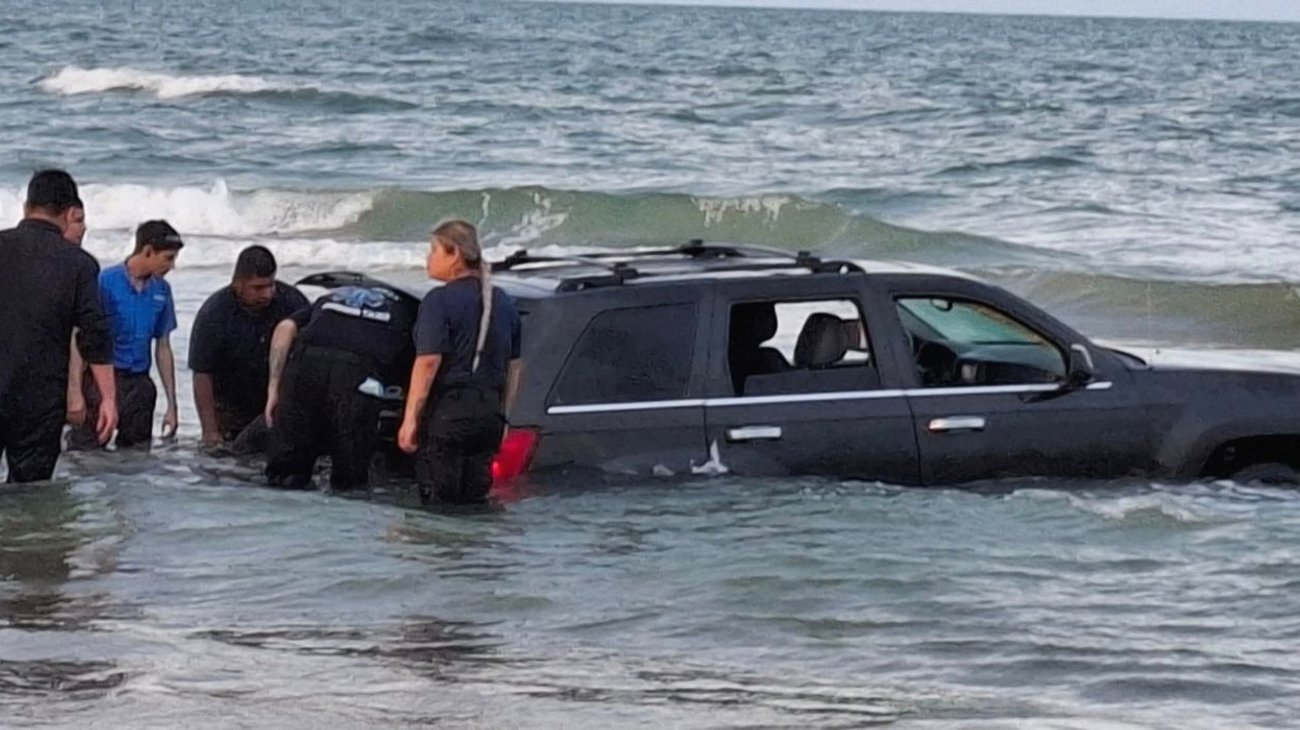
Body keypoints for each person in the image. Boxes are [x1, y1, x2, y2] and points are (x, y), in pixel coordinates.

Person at [0, 170, 116, 482]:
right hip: (40, 401)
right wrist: (108, 399)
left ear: (26, 207)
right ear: (69, 214)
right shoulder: (79, 264)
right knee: (31, 495)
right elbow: (94, 336)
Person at [398, 220, 522, 506]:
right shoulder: (504, 301)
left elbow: (428, 362)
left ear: (454, 254)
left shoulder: (438, 301)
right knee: (475, 501)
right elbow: (514, 367)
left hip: (449, 414)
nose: (428, 259)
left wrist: (410, 420)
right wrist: (503, 416)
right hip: (488, 414)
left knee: (440, 504)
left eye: (433, 250)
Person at [264, 284, 417, 490]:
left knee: (284, 474)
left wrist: (274, 388)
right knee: (349, 475)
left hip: (305, 363)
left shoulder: (331, 298)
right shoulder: (412, 310)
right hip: (359, 370)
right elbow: (423, 361)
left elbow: (285, 328)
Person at [68, 221, 183, 450]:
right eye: (168, 258)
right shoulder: (104, 282)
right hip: (101, 381)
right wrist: (76, 392)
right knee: (84, 455)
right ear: (148, 251)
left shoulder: (162, 290)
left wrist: (172, 404)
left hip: (139, 384)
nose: (172, 266)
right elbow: (80, 336)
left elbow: (163, 347)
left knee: (136, 460)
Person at [189, 246, 308, 454]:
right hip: (230, 408)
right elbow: (202, 374)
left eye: (271, 285)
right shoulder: (214, 313)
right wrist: (209, 431)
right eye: (258, 287)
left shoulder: (292, 302)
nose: (268, 294)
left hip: (278, 404)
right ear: (238, 284)